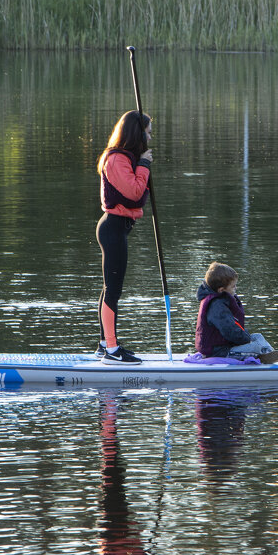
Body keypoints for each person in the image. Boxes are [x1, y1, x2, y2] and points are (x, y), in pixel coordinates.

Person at [95, 110, 154, 365]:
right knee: (113, 290)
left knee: (110, 287)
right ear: (137, 133)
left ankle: (104, 344)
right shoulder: (117, 158)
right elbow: (134, 193)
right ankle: (111, 350)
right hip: (113, 227)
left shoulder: (126, 158)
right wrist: (144, 166)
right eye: (148, 132)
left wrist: (141, 164)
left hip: (119, 227)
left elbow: (138, 193)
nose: (151, 137)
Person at [194, 262, 278, 362]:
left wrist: (247, 337)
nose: (236, 288)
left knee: (257, 336)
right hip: (219, 352)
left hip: (226, 346)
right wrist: (247, 341)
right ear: (221, 290)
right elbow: (229, 330)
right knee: (255, 346)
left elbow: (234, 326)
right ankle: (262, 355)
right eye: (233, 286)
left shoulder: (221, 301)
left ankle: (268, 354)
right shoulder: (216, 306)